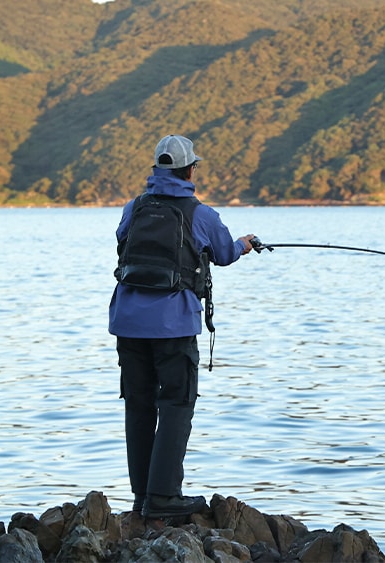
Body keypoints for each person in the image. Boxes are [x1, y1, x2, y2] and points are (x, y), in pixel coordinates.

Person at [109, 134, 255, 519]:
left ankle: (142, 497)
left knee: (139, 406)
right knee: (176, 403)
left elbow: (122, 242)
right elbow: (224, 253)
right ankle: (164, 498)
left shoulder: (133, 208)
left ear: (157, 169)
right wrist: (246, 243)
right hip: (172, 325)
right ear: (190, 169)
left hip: (127, 322)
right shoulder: (200, 214)